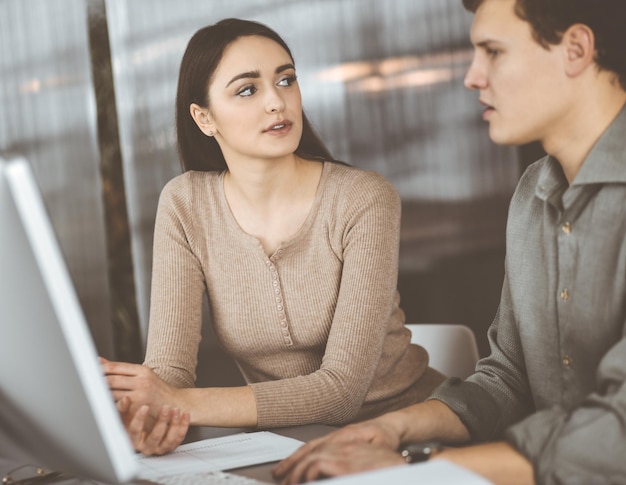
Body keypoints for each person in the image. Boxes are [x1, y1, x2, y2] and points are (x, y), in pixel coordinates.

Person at [273, 0, 626, 483]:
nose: (472, 77)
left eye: (493, 52)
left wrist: (418, 469)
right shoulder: (531, 194)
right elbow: (507, 379)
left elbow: (617, 436)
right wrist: (393, 429)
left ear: (576, 49)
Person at [101, 18, 445, 456]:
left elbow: (340, 392)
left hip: (411, 434)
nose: (276, 102)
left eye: (286, 80)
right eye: (248, 89)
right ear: (204, 118)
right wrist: (148, 414)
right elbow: (169, 370)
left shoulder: (363, 198)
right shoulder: (185, 204)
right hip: (288, 444)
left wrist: (182, 404)